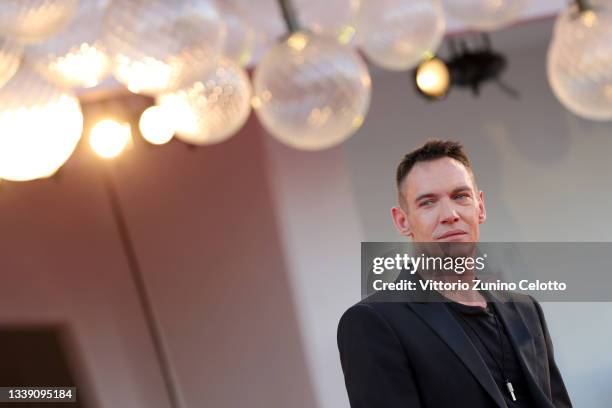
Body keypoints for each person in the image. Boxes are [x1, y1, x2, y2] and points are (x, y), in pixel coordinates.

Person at [337, 140, 572, 407]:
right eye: (428, 202)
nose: (450, 214)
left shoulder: (525, 308)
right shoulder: (373, 323)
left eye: (460, 196)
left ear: (480, 207)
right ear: (402, 221)